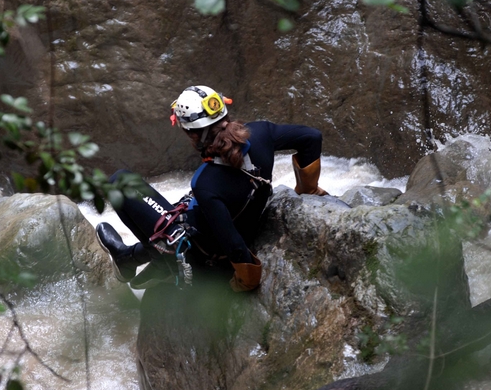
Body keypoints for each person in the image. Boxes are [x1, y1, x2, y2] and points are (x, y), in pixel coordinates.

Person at [96, 85, 328, 292]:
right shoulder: (261, 132)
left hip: (206, 258)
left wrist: (246, 281)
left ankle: (158, 263)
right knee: (184, 207)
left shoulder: (205, 182)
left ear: (192, 134)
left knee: (119, 181)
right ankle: (129, 257)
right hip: (245, 223)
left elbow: (234, 245)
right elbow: (311, 137)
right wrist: (308, 190)